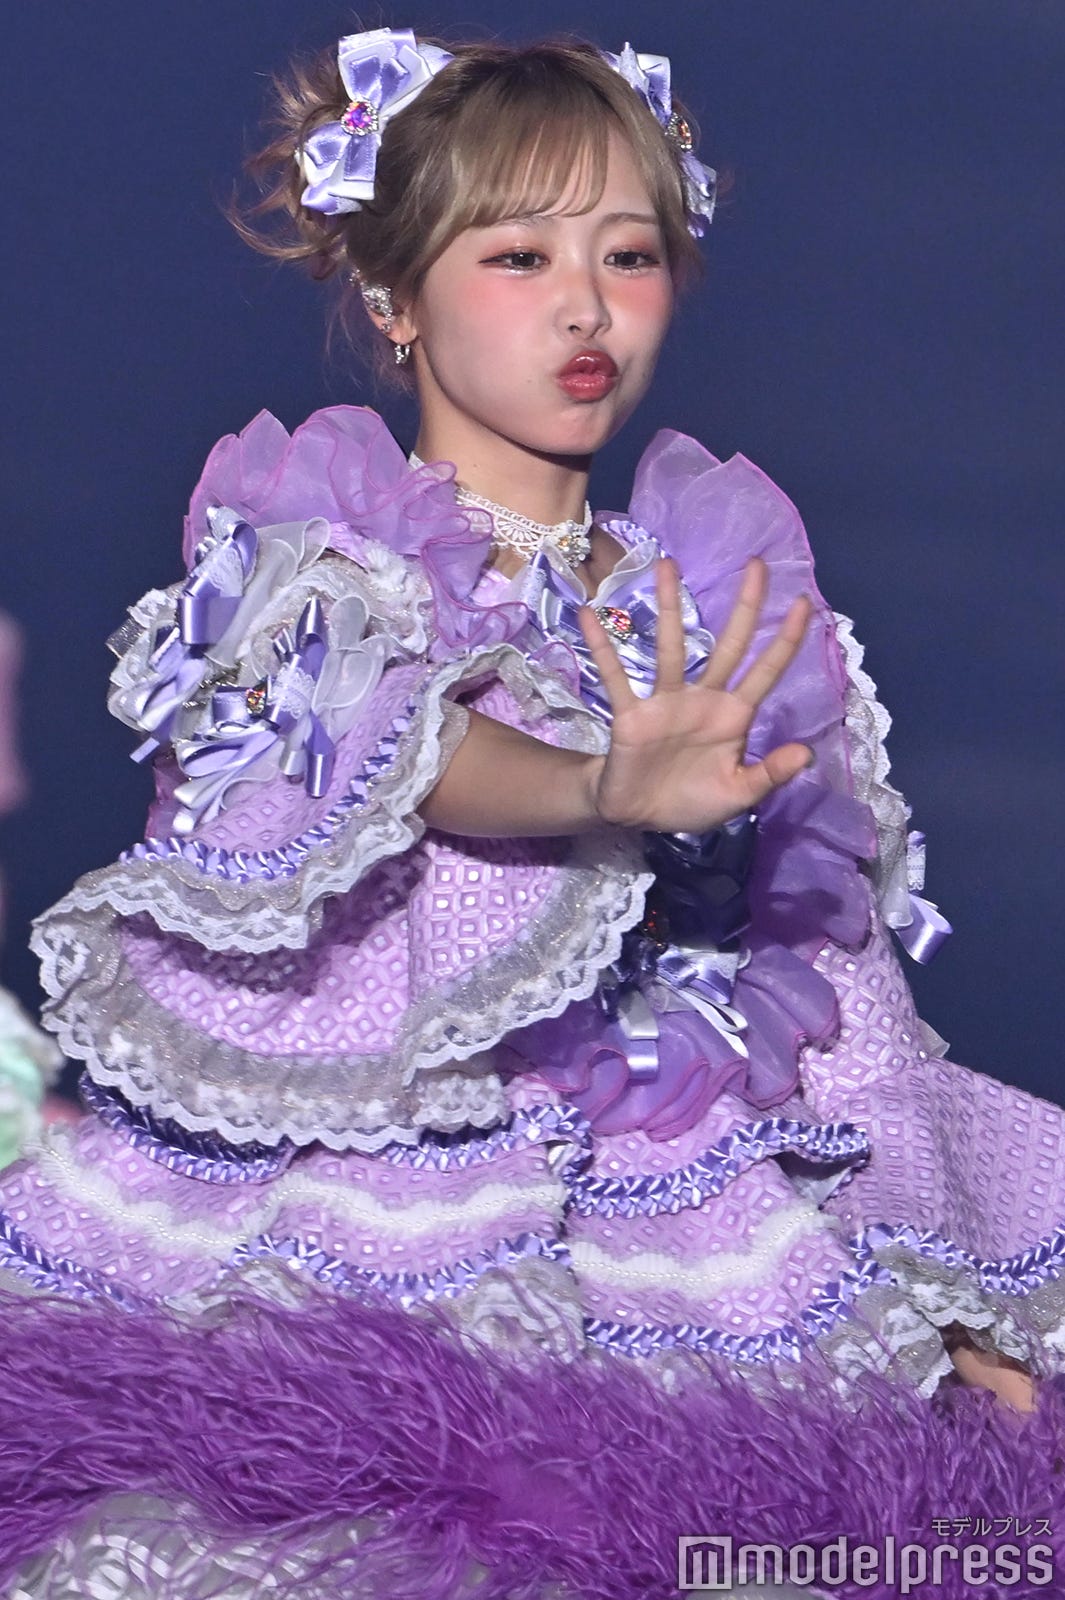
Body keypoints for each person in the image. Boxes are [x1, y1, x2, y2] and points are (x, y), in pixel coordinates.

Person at [2, 28, 1063, 1599]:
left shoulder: (716, 602)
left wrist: (939, 1281)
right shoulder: (321, 568)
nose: (585, 305)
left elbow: (825, 991)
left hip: (695, 1221)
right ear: (393, 295)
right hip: (397, 1203)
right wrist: (594, 787)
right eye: (517, 255)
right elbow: (417, 754)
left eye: (627, 254)